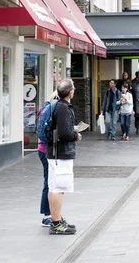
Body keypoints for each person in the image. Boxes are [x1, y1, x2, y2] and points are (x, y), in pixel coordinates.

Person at [46, 79, 81, 235]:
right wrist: (76, 135)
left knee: (53, 187)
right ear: (71, 93)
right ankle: (56, 223)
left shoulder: (56, 105)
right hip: (60, 153)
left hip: (53, 152)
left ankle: (56, 219)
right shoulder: (63, 108)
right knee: (59, 188)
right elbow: (64, 133)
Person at [37, 90, 58, 227]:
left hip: (42, 148)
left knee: (49, 180)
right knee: (48, 182)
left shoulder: (45, 108)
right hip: (46, 149)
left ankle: (50, 213)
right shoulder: (53, 109)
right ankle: (47, 215)